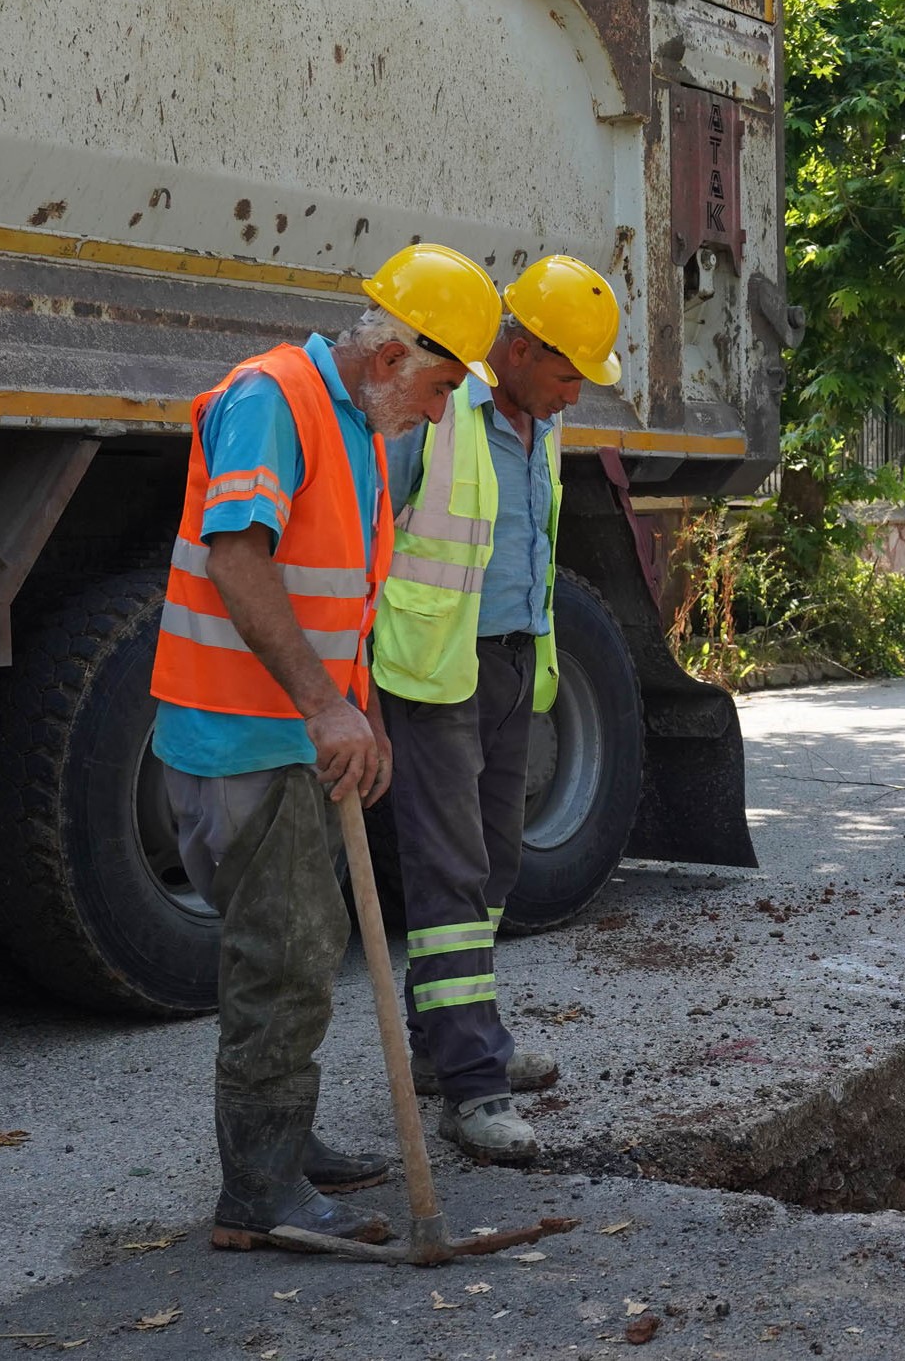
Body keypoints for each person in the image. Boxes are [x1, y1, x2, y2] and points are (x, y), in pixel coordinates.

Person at [149, 243, 502, 1251]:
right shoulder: (272, 397)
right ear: (392, 354)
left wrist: (362, 712)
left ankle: (285, 1142)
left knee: (303, 946)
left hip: (290, 734)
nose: (441, 412)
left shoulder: (351, 425)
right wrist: (323, 707)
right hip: (240, 737)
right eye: (439, 385)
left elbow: (337, 594)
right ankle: (257, 1192)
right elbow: (237, 558)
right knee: (284, 959)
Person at [375, 253, 622, 1166]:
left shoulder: (539, 426)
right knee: (449, 873)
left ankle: (452, 1041)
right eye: (566, 372)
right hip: (437, 668)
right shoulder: (439, 412)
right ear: (516, 349)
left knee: (492, 864)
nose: (574, 394)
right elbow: (373, 534)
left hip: (514, 663)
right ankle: (472, 1086)